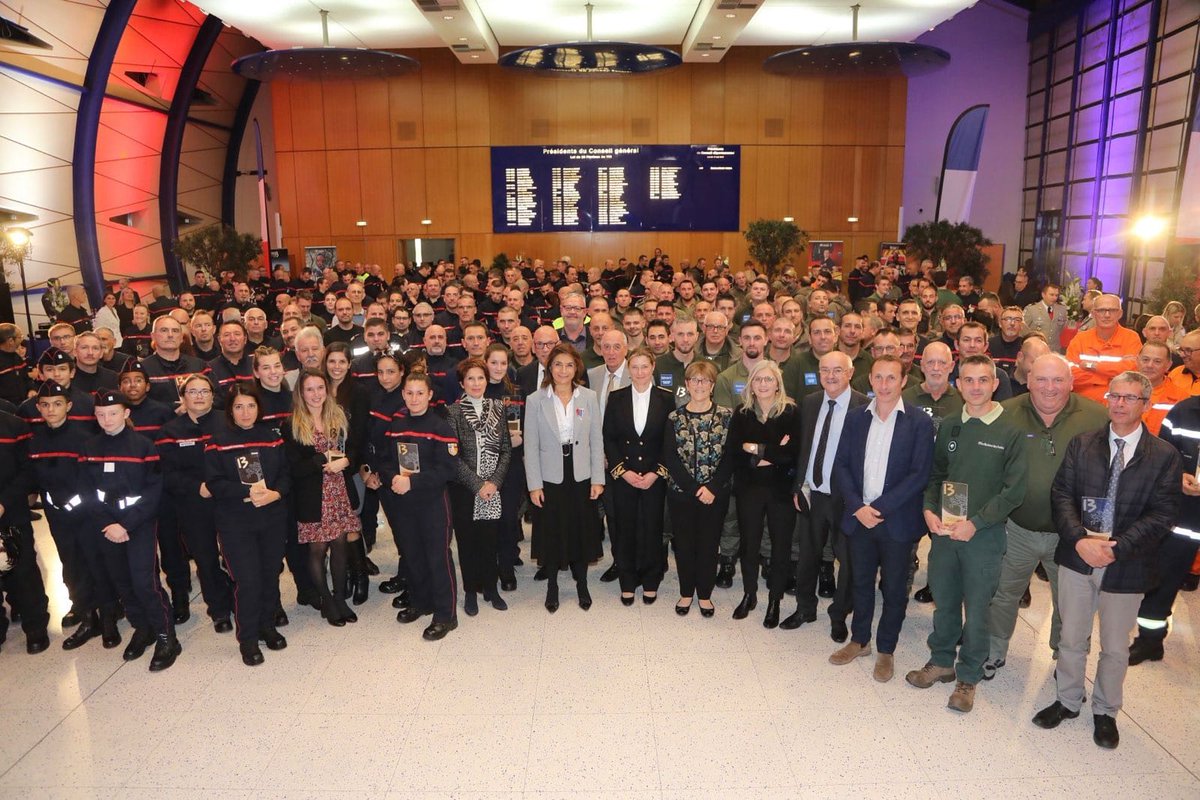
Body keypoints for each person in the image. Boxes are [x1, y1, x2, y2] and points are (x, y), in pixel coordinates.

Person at [1037, 371, 1180, 748]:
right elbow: (1062, 495)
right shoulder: (1083, 444)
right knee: (1071, 636)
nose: (1119, 404)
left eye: (1129, 398)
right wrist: (1080, 539)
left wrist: (1117, 547)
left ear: (1145, 404)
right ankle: (1068, 700)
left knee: (1115, 647)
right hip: (1078, 557)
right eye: (1114, 396)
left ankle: (1105, 711)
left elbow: (1163, 514)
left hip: (1127, 564)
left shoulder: (1164, 456)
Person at [907, 355, 1025, 713]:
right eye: (968, 380)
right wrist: (929, 509)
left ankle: (969, 676)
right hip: (946, 532)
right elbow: (936, 475)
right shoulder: (950, 425)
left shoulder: (1011, 430)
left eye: (983, 380)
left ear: (995, 384)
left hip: (983, 537)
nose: (975, 387)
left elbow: (1014, 491)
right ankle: (942, 660)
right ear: (958, 384)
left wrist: (975, 523)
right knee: (944, 601)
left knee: (976, 610)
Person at [983, 354, 1108, 680]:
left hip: (1072, 535)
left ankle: (1064, 657)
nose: (1049, 387)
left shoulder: (1096, 416)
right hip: (1016, 528)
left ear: (1071, 382)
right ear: (1028, 380)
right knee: (1002, 593)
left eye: (1057, 380)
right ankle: (993, 650)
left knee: (1070, 602)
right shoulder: (1004, 413)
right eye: (1041, 379)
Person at [829, 356, 934, 681]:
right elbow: (841, 464)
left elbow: (919, 474)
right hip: (859, 518)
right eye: (878, 377)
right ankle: (860, 640)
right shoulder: (856, 418)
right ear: (870, 380)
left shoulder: (918, 422)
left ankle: (886, 649)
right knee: (860, 582)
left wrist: (880, 508)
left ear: (903, 381)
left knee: (893, 589)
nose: (884, 384)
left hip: (896, 521)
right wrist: (858, 506)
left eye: (891, 378)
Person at [79, 389, 180, 671]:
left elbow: (153, 491)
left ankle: (166, 635)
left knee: (144, 581)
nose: (107, 419)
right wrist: (108, 524)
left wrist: (126, 524)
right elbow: (86, 491)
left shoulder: (143, 446)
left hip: (139, 523)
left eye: (113, 413)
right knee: (122, 581)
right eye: (101, 414)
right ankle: (142, 627)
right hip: (106, 526)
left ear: (126, 413)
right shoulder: (89, 448)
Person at [204, 382, 291, 666]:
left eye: (251, 406)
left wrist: (276, 493)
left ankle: (267, 626)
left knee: (270, 575)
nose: (245, 412)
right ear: (230, 410)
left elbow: (286, 474)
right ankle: (248, 638)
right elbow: (214, 483)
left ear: (258, 408)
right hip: (236, 521)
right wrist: (246, 491)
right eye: (239, 407)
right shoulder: (218, 441)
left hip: (271, 517)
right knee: (248, 580)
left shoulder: (272, 437)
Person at [782, 351, 867, 635]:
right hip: (813, 494)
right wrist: (798, 486)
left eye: (837, 370)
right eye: (825, 370)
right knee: (807, 556)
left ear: (850, 373)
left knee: (847, 560)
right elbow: (804, 449)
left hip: (847, 499)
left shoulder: (864, 406)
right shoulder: (810, 402)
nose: (830, 376)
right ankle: (805, 608)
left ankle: (839, 614)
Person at [524, 343, 605, 612]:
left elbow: (596, 440)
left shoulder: (588, 397)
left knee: (581, 529)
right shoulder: (536, 400)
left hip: (581, 474)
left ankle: (582, 583)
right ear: (550, 367)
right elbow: (530, 446)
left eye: (569, 365)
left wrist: (598, 478)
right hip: (550, 476)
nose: (563, 370)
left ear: (576, 368)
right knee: (552, 531)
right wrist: (534, 485)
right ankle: (552, 585)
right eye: (558, 364)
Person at [381, 372, 460, 641]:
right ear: (403, 394)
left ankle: (446, 614)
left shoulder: (441, 428)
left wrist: (412, 483)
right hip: (404, 502)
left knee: (438, 558)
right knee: (413, 555)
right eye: (409, 393)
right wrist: (392, 477)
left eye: (420, 393)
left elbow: (447, 470)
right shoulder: (396, 424)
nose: (414, 398)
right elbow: (386, 459)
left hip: (432, 503)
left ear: (430, 395)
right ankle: (421, 601)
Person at [156, 374, 235, 635]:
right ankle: (219, 609)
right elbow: (166, 472)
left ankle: (242, 600)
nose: (199, 396)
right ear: (182, 397)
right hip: (193, 503)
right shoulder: (170, 431)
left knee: (236, 554)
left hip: (230, 500)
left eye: (204, 391)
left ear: (213, 395)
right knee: (205, 557)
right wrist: (195, 487)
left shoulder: (229, 421)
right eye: (192, 392)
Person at [28, 381, 104, 649]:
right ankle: (85, 613)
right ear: (38, 408)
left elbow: (94, 478)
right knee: (70, 564)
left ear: (68, 406)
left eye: (57, 404)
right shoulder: (35, 441)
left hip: (86, 512)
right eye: (45, 405)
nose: (51, 409)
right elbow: (35, 479)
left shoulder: (85, 438)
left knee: (95, 561)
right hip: (57, 513)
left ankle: (107, 612)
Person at [285, 369, 361, 627]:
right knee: (317, 549)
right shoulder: (292, 424)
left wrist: (346, 461)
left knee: (340, 545)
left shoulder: (339, 416)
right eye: (309, 389)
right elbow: (293, 467)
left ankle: (340, 598)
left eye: (320, 388)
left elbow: (354, 448)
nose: (316, 394)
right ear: (300, 392)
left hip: (339, 491)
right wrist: (321, 460)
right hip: (312, 496)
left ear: (327, 390)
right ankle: (326, 599)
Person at [726, 360, 799, 627]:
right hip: (750, 488)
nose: (763, 384)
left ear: (778, 383)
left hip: (781, 490)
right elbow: (734, 451)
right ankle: (749, 594)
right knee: (749, 544)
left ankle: (774, 600)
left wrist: (755, 448)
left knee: (780, 546)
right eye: (758, 379)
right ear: (751, 384)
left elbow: (792, 454)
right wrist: (772, 451)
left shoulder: (791, 412)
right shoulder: (742, 412)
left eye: (768, 379)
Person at [602, 347, 674, 605]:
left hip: (654, 477)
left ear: (653, 367)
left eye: (645, 366)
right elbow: (609, 437)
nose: (640, 372)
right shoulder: (616, 397)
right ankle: (628, 581)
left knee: (653, 529)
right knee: (625, 529)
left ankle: (651, 580)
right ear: (629, 369)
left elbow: (670, 441)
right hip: (625, 476)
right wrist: (623, 471)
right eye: (635, 367)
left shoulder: (666, 398)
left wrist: (656, 473)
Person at [662, 359, 733, 617]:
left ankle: (704, 594)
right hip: (682, 493)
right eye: (694, 380)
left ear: (712, 385)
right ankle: (685, 593)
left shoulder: (726, 416)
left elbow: (730, 457)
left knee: (708, 545)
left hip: (715, 494)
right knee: (684, 545)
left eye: (705, 380)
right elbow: (670, 457)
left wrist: (711, 487)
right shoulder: (674, 417)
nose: (699, 385)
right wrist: (694, 488)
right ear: (687, 384)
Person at [1135, 393, 1200, 664]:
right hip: (1185, 517)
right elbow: (1162, 457)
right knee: (1162, 578)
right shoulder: (1184, 411)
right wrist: (1178, 476)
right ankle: (1150, 641)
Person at [445, 358, 512, 616]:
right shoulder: (453, 412)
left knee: (490, 539)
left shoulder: (498, 407)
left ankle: (491, 589)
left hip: (493, 488)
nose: (476, 383)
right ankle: (471, 591)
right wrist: (477, 484)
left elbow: (506, 449)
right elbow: (453, 457)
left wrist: (494, 482)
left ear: (487, 380)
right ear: (462, 383)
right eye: (470, 379)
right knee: (467, 542)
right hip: (465, 489)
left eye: (480, 378)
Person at [0, 402, 51, 654]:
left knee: (23, 570)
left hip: (11, 511)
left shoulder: (14, 426)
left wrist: (4, 503)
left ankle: (35, 627)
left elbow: (28, 469)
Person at [484, 343, 524, 591]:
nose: (498, 368)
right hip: (483, 465)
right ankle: (489, 566)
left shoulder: (515, 393)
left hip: (511, 465)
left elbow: (522, 429)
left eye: (503, 363)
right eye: (493, 362)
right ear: (485, 362)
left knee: (508, 518)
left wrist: (519, 438)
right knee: (488, 519)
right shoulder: (475, 390)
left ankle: (507, 568)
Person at [1066, 294, 1141, 403]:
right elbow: (1069, 374)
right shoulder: (1080, 338)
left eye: (1112, 310)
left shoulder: (1131, 338)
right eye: (1101, 310)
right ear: (1093, 314)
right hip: (1082, 403)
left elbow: (1132, 374)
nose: (1107, 315)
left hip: (1118, 404)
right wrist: (1107, 379)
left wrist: (1092, 366)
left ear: (1120, 314)